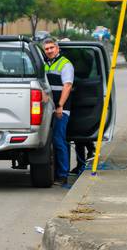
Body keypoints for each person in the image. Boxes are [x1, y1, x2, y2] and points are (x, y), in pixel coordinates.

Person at [43, 38, 74, 186]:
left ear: (57, 48)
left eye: (51, 48)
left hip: (61, 109)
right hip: (47, 109)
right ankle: (56, 173)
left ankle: (62, 175)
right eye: (46, 49)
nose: (49, 51)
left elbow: (67, 86)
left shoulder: (65, 64)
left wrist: (60, 105)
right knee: (51, 141)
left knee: (59, 140)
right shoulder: (44, 64)